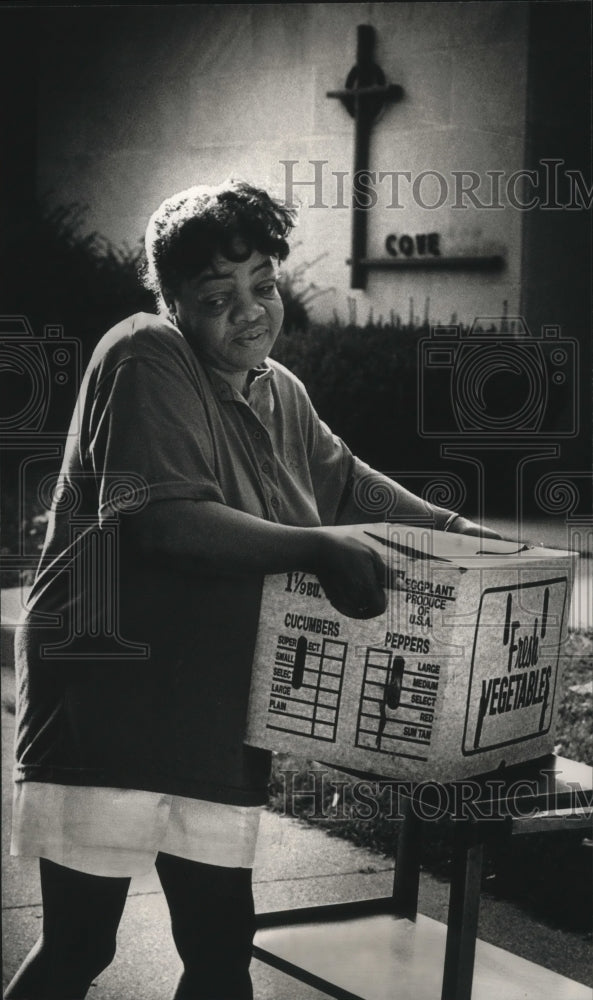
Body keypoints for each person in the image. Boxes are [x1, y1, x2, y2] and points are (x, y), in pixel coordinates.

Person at [7, 177, 499, 1000]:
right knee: (81, 945)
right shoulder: (143, 354)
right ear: (169, 300)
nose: (250, 310)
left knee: (217, 947)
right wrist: (320, 549)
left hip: (211, 713)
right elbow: (165, 520)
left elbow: (349, 484)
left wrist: (455, 535)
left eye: (263, 285)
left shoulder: (277, 389)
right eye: (216, 295)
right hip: (110, 703)